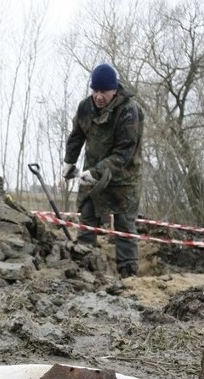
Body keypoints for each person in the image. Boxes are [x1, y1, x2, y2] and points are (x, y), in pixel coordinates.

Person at [61, 63, 144, 278]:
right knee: (87, 219)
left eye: (103, 92)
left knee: (124, 227)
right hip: (92, 177)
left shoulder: (129, 111)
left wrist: (98, 171)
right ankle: (84, 269)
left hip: (123, 179)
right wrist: (68, 162)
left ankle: (129, 276)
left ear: (114, 89)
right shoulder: (85, 107)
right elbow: (77, 135)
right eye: (95, 90)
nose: (98, 96)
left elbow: (124, 152)